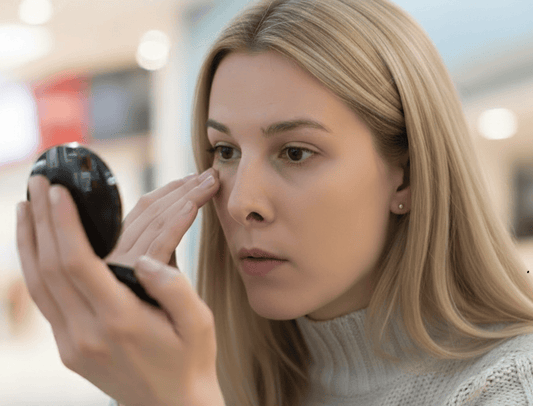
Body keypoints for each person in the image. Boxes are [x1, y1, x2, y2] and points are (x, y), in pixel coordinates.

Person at [15, 0, 533, 405]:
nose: (241, 203)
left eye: (295, 152)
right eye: (226, 151)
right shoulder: (205, 377)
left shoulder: (509, 386)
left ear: (409, 178)